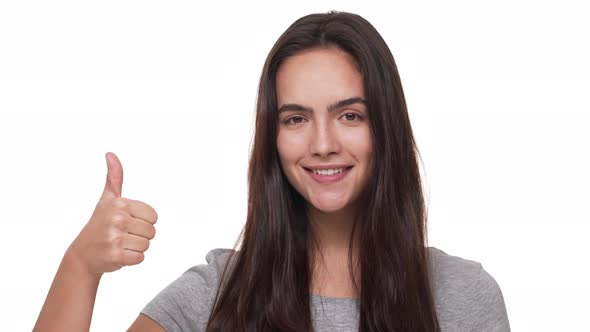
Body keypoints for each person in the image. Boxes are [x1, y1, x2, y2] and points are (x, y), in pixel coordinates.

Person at [33, 10, 510, 332]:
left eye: (350, 115)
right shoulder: (218, 293)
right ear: (273, 138)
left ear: (385, 127)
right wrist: (81, 266)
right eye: (296, 119)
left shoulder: (462, 296)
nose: (323, 145)